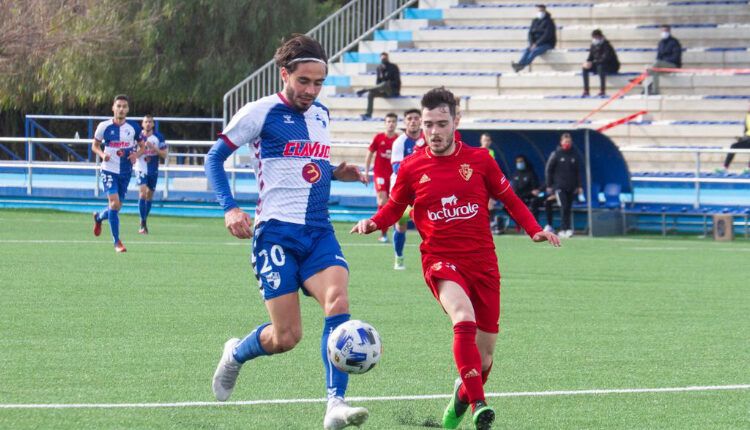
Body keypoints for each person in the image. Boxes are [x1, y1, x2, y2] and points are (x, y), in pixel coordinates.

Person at [351, 87, 560, 430]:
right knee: (462, 317)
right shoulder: (412, 167)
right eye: (428, 124)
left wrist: (534, 228)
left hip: (483, 264)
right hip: (440, 261)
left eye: (441, 123)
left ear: (456, 122)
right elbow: (395, 206)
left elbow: (511, 199)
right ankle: (479, 404)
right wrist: (375, 222)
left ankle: (459, 402)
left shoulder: (480, 161)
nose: (433, 132)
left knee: (486, 357)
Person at [204, 34, 369, 430]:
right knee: (286, 337)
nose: (311, 91)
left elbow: (306, 167)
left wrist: (336, 172)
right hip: (276, 234)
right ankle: (235, 355)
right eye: (304, 82)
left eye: (318, 83)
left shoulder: (321, 115)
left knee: (337, 299)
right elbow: (215, 158)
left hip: (317, 231)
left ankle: (335, 404)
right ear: (285, 75)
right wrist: (229, 208)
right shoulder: (259, 112)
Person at [91, 94, 144, 253]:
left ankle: (99, 217)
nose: (121, 109)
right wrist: (102, 155)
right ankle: (116, 242)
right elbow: (95, 146)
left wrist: (136, 155)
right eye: (118, 106)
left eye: (124, 106)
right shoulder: (104, 126)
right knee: (114, 204)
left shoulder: (133, 128)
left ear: (127, 109)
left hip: (125, 172)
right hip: (109, 169)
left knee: (117, 206)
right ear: (113, 108)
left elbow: (142, 146)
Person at [389, 108, 424, 270]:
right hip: (401, 190)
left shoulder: (428, 139)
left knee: (429, 222)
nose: (413, 121)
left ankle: (436, 256)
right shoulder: (399, 142)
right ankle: (399, 256)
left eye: (416, 118)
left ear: (421, 120)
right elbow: (397, 168)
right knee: (401, 224)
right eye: (410, 118)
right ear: (405, 122)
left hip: (423, 188)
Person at [364, 112, 399, 243]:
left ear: (396, 124)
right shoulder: (378, 138)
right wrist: (366, 172)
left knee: (393, 203)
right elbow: (369, 154)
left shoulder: (399, 140)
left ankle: (393, 229)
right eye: (388, 121)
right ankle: (383, 233)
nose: (391, 124)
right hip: (380, 175)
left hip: (394, 176)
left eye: (393, 122)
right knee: (382, 201)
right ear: (385, 123)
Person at [544, 133, 582, 238]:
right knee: (563, 207)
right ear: (561, 142)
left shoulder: (574, 154)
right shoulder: (556, 154)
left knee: (568, 208)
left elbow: (578, 171)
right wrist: (549, 185)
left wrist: (579, 186)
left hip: (571, 187)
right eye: (565, 142)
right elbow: (548, 170)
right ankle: (563, 229)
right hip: (559, 187)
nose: (567, 143)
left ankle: (568, 229)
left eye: (569, 142)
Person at [135, 114, 167, 234]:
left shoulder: (158, 137)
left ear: (153, 124)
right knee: (142, 193)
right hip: (141, 168)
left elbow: (164, 155)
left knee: (149, 196)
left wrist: (154, 148)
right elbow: (134, 152)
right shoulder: (138, 137)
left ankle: (144, 220)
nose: (148, 123)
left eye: (150, 122)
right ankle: (142, 223)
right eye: (146, 122)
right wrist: (141, 150)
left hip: (153, 169)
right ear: (142, 124)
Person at [511, 4, 557, 73]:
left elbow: (547, 35)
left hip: (547, 44)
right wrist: (532, 43)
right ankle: (519, 64)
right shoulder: (535, 21)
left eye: (541, 10)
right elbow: (530, 33)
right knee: (527, 50)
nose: (540, 12)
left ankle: (521, 65)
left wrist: (537, 44)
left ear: (545, 11)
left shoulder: (549, 21)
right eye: (538, 11)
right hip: (535, 44)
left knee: (534, 51)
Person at [357, 52, 401, 120]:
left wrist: (388, 83)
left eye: (385, 58)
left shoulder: (393, 67)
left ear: (387, 58)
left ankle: (365, 90)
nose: (383, 60)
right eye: (382, 59)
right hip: (383, 90)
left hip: (393, 90)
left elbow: (397, 82)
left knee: (384, 84)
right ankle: (368, 114)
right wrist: (379, 88)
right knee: (371, 94)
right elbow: (377, 82)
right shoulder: (379, 68)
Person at [582, 29, 620, 97]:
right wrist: (587, 62)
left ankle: (602, 90)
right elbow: (590, 57)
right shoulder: (593, 45)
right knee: (585, 68)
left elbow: (606, 58)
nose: (596, 39)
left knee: (600, 67)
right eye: (594, 37)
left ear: (601, 36)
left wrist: (595, 62)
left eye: (597, 37)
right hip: (599, 64)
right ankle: (586, 90)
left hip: (610, 65)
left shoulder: (606, 45)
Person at [647, 25, 683, 95]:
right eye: (663, 31)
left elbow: (676, 57)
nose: (664, 32)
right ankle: (654, 91)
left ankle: (643, 77)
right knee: (655, 71)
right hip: (662, 65)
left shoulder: (674, 42)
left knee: (655, 64)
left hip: (673, 65)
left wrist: (663, 61)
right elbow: (658, 57)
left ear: (669, 31)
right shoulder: (661, 43)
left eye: (665, 31)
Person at [479, 133, 503, 234]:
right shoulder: (476, 151)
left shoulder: (492, 152)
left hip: (489, 182)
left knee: (490, 204)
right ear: (481, 140)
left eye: (488, 140)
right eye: (484, 140)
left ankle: (490, 224)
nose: (486, 142)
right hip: (479, 182)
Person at [511, 155, 544, 222]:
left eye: (521, 161)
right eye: (518, 162)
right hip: (519, 196)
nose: (519, 163)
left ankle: (534, 224)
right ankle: (518, 223)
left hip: (530, 196)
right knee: (507, 206)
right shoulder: (515, 174)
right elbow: (515, 189)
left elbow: (535, 189)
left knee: (533, 203)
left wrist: (531, 192)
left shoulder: (531, 174)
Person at [719, 104, 750, 173]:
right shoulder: (747, 116)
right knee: (733, 146)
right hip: (748, 139)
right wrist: (742, 139)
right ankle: (725, 167)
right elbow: (746, 130)